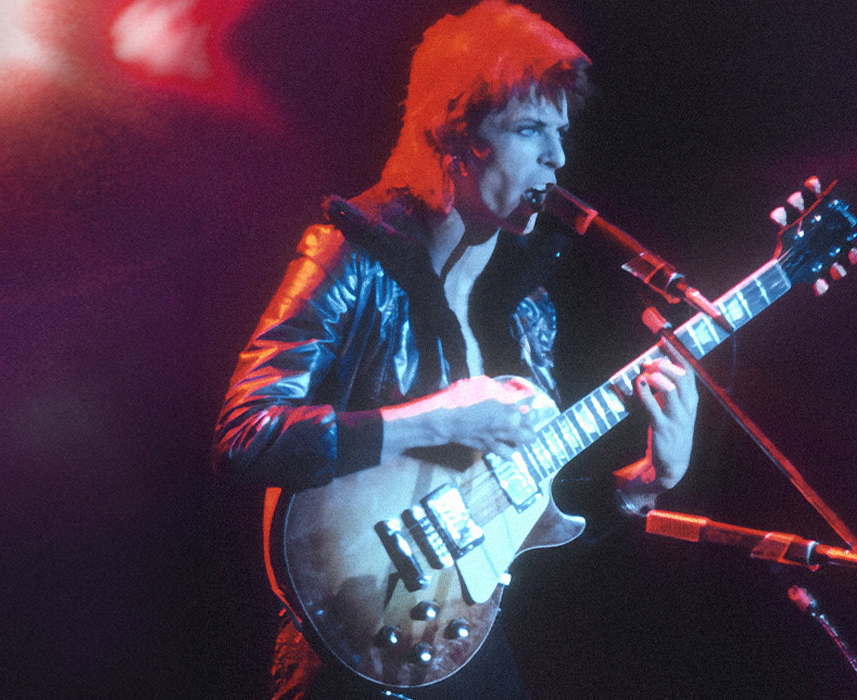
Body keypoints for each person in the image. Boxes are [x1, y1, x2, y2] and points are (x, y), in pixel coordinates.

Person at [213, 2, 698, 697]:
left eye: (560, 132)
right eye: (531, 130)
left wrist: (645, 482)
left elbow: (521, 517)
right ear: (456, 136)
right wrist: (435, 420)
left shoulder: (526, 311)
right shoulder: (348, 257)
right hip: (343, 656)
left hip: (462, 649)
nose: (557, 157)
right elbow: (245, 436)